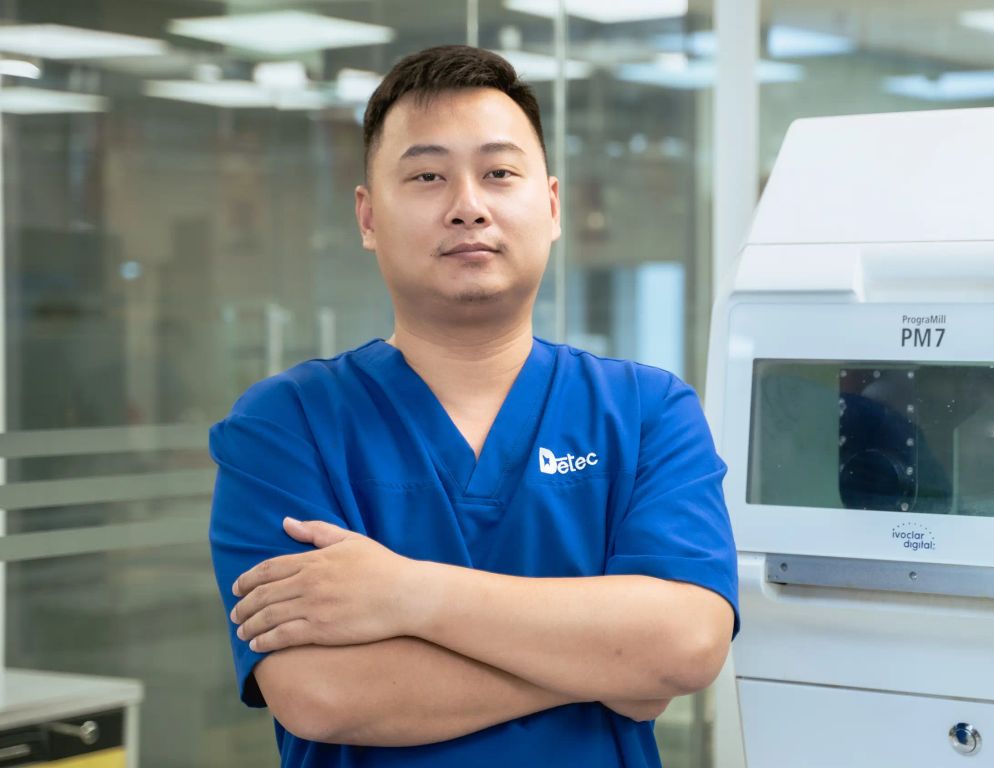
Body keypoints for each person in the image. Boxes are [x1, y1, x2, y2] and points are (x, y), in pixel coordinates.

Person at [207, 45, 739, 767]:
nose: (468, 206)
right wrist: (607, 665)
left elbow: (685, 645)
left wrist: (403, 594)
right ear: (367, 217)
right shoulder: (284, 425)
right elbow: (323, 693)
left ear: (550, 206)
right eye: (427, 176)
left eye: (499, 173)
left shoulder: (647, 411)